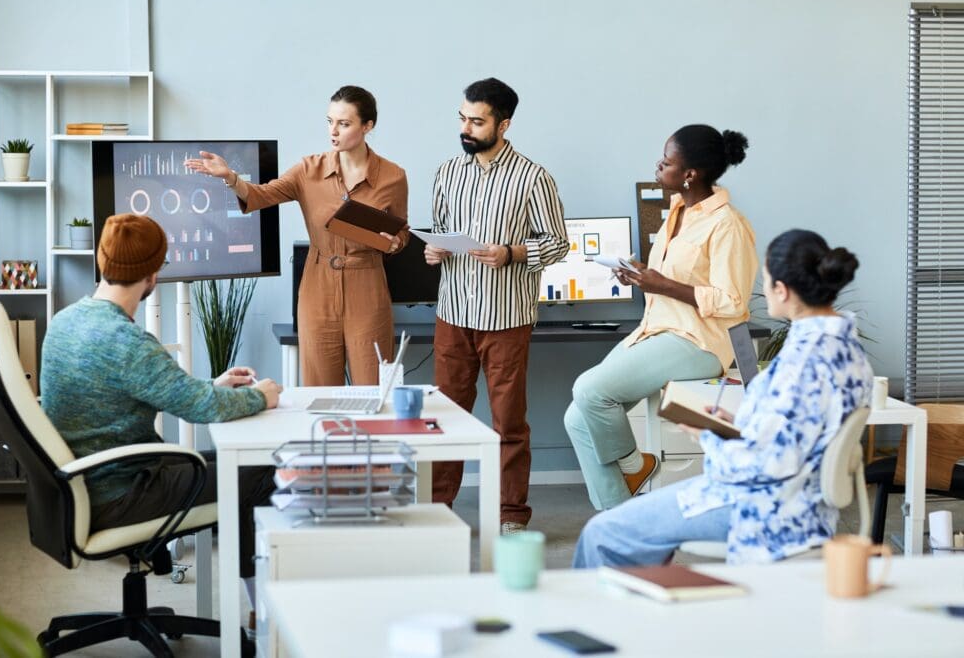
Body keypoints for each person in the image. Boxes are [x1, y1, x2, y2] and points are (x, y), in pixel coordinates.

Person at [573, 230, 873, 566]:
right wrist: (737, 426)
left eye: (765, 277)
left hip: (762, 508)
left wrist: (710, 437)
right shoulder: (847, 350)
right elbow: (796, 437)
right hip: (804, 506)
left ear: (782, 290)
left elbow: (768, 465)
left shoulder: (802, 364)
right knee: (634, 531)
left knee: (602, 533)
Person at [40, 213, 282, 599]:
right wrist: (261, 395)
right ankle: (261, 608)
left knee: (239, 464)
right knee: (266, 472)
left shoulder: (65, 321)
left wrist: (213, 385)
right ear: (152, 274)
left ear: (103, 262)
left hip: (85, 486)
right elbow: (201, 408)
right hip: (123, 493)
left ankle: (255, 604)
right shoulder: (128, 342)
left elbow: (168, 391)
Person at [564, 125, 757, 510]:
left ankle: (637, 466)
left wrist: (662, 285)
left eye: (667, 162)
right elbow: (674, 280)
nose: (658, 166)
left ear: (690, 174)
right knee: (577, 417)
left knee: (590, 390)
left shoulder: (727, 225)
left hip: (698, 341)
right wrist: (639, 276)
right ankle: (617, 516)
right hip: (658, 330)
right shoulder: (678, 213)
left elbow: (733, 301)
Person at [185, 86, 409, 385]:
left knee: (374, 387)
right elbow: (261, 195)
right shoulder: (308, 170)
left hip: (367, 286)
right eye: (330, 121)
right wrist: (231, 178)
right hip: (317, 286)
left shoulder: (393, 176)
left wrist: (396, 243)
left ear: (368, 126)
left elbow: (401, 231)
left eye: (344, 124)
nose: (334, 131)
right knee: (319, 387)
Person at [424, 78, 569, 534]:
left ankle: (510, 516)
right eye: (462, 118)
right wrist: (434, 251)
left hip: (506, 319)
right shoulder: (447, 172)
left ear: (503, 124)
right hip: (453, 315)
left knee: (508, 423)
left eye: (477, 121)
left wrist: (510, 253)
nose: (466, 128)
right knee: (444, 420)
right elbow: (441, 231)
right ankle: (437, 510)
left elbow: (558, 243)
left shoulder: (533, 177)